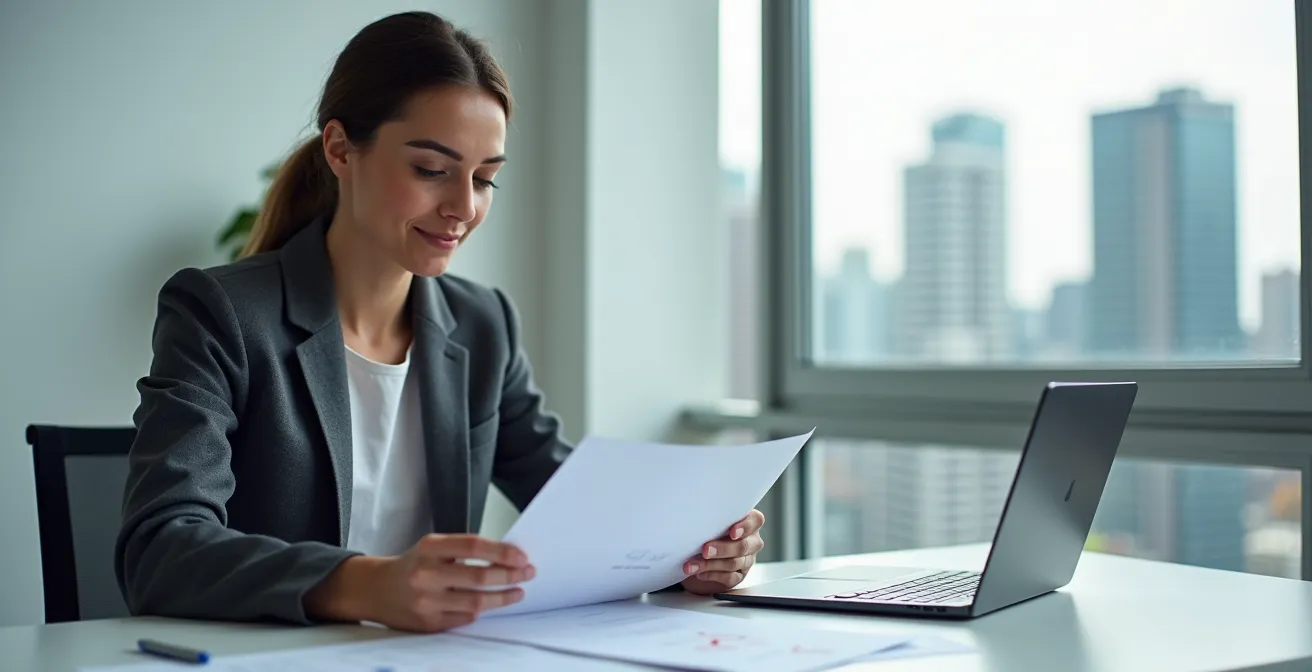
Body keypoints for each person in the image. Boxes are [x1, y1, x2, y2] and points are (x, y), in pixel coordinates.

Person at [113, 11, 764, 633]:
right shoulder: (222, 312)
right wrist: (366, 584)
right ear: (340, 149)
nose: (463, 207)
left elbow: (579, 508)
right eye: (431, 170)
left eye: (485, 179)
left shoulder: (482, 324)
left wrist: (693, 553)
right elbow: (160, 548)